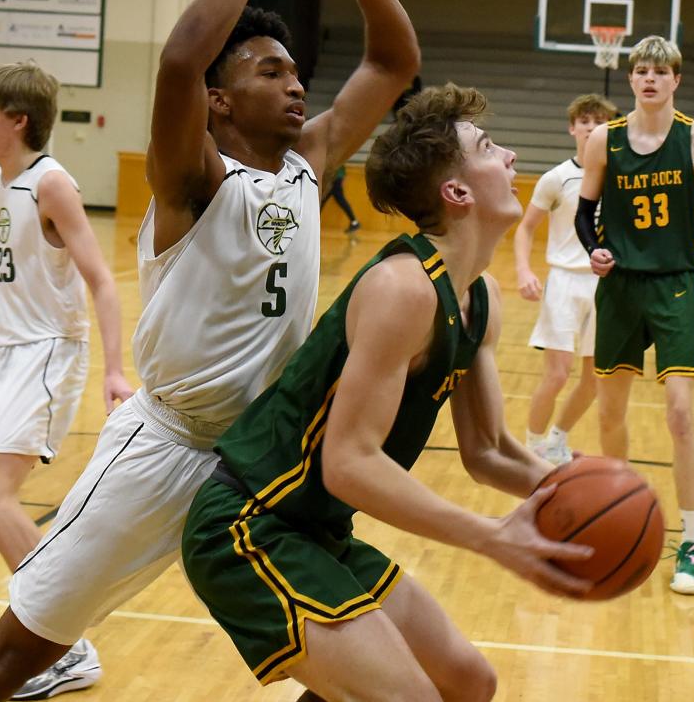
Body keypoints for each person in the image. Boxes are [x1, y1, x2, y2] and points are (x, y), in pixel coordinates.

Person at [0, 0, 419, 702]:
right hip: (164, 450)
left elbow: (393, 61)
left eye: (298, 71)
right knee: (12, 659)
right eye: (270, 70)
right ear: (220, 101)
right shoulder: (193, 179)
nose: (297, 85)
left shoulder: (308, 163)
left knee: (350, 668)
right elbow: (182, 58)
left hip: (261, 463)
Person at [182, 83, 593, 700]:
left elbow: (487, 449)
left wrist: (572, 492)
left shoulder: (479, 296)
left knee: (467, 681)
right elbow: (348, 464)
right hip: (248, 525)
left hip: (316, 533)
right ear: (455, 193)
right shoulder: (403, 288)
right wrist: (490, 536)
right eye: (488, 147)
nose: (510, 157)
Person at [0, 62, 133, 634]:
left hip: (48, 354)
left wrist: (114, 370)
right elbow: (5, 277)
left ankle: (64, 643)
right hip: (2, 352)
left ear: (19, 121)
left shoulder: (51, 183)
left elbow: (103, 281)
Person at [575, 36, 694, 595]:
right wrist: (595, 250)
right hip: (620, 290)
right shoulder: (604, 143)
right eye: (641, 70)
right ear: (631, 79)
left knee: (680, 414)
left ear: (677, 80)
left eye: (660, 70)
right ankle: (624, 518)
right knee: (610, 413)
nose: (650, 78)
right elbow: (586, 214)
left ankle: (692, 542)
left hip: (677, 287)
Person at [513, 93, 616, 465]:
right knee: (557, 374)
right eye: (585, 121)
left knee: (594, 379)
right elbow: (525, 229)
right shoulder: (556, 178)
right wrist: (524, 270)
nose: (591, 128)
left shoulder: (619, 177)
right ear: (573, 127)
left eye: (600, 121)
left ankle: (556, 441)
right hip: (564, 281)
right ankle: (532, 446)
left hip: (605, 285)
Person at [322, 164, 360, 232]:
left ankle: (354, 222)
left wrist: (330, 177)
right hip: (335, 176)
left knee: (323, 200)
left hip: (334, 177)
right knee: (324, 200)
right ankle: (354, 222)